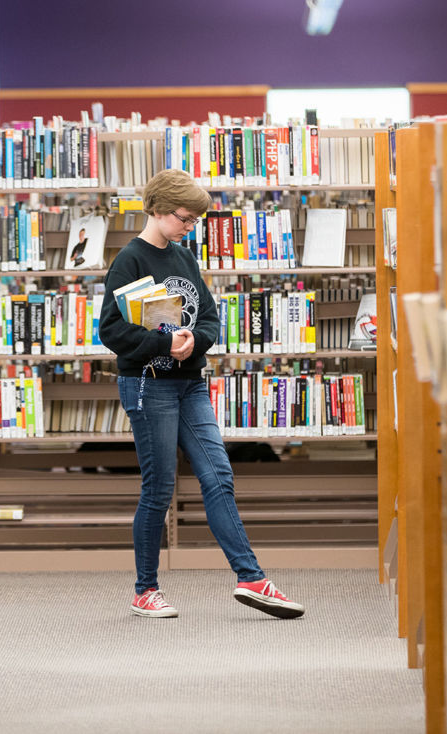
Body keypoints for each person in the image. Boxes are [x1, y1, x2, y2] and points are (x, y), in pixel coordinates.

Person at [98, 169, 305, 620]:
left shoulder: (184, 258)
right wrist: (162, 344)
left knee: (219, 476)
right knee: (159, 488)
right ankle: (145, 590)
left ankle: (250, 577)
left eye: (194, 220)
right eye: (184, 218)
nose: (189, 227)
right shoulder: (129, 261)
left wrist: (195, 339)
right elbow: (110, 330)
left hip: (190, 383)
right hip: (149, 385)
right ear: (156, 209)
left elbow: (209, 317)